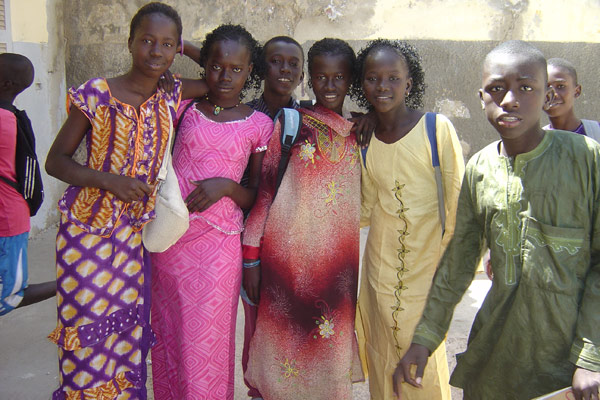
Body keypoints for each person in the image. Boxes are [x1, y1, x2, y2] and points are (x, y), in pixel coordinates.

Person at [395, 40, 600, 400]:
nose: (509, 100)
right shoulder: (480, 169)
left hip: (568, 369)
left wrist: (591, 357)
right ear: (481, 97)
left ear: (545, 94)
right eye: (497, 89)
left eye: (525, 88)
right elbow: (459, 260)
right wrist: (426, 338)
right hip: (496, 361)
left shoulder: (586, 160)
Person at [45, 3, 206, 398]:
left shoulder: (172, 94)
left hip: (132, 239)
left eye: (167, 44)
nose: (156, 51)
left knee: (124, 333)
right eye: (147, 40)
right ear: (129, 42)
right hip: (86, 234)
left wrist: (184, 47)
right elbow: (56, 162)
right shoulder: (97, 94)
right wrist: (108, 181)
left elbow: (220, 72)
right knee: (87, 330)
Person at [149, 24, 273, 400]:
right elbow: (162, 77)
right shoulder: (183, 106)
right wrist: (193, 53)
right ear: (205, 64)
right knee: (169, 334)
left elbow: (256, 195)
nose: (225, 76)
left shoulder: (259, 124)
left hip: (219, 248)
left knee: (208, 341)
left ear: (250, 71)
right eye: (216, 66)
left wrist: (227, 188)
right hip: (171, 239)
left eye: (237, 69)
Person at [242, 37, 363, 400]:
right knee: (281, 346)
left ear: (350, 81)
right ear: (309, 78)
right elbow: (264, 194)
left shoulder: (361, 134)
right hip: (287, 262)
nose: (329, 85)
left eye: (338, 77)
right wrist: (251, 258)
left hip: (337, 271)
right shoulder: (293, 124)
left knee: (329, 353)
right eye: (321, 76)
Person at [351, 39, 464, 400]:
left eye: (393, 78)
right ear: (361, 84)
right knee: (383, 356)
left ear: (409, 83)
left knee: (423, 364)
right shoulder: (365, 140)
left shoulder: (436, 129)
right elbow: (366, 208)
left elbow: (457, 203)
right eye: (372, 78)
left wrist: (448, 275)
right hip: (379, 273)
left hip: (426, 274)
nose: (382, 87)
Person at [0, 53, 55, 316]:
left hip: (8, 221)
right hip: (10, 213)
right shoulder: (12, 117)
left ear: (7, 84)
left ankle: (67, 284)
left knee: (10, 296)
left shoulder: (3, 120)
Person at [544, 57, 600, 139]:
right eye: (546, 87)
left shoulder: (596, 132)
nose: (553, 94)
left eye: (560, 86)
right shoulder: (535, 142)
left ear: (577, 91)